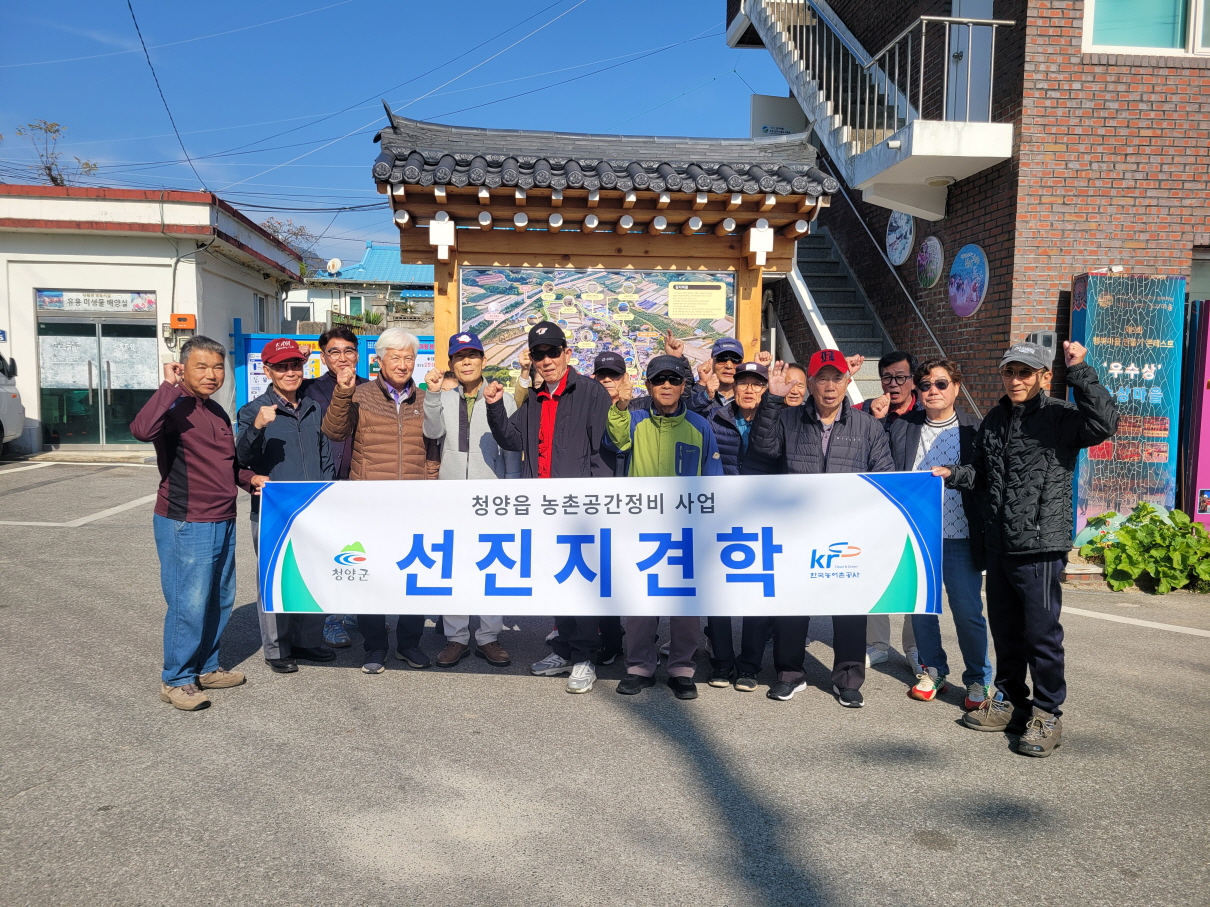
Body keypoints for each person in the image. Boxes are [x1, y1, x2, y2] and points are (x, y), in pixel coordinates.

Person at [936, 340, 1117, 757]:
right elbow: (981, 473)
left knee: (1041, 635)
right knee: (1007, 632)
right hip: (999, 544)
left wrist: (1081, 371)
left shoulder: (1062, 416)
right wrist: (952, 474)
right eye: (1009, 372)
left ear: (1043, 377)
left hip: (1040, 544)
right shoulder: (995, 419)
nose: (1015, 380)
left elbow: (1105, 424)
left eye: (1024, 373)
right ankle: (1011, 701)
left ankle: (1048, 713)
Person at [753, 351, 894, 707]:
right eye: (822, 378)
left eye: (837, 378)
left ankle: (848, 679)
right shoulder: (787, 419)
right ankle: (789, 674)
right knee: (792, 604)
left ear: (849, 381)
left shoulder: (868, 427)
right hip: (797, 529)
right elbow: (763, 449)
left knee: (849, 606)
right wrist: (771, 398)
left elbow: (885, 477)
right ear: (811, 383)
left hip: (848, 531)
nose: (830, 387)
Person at [485, 321, 613, 693]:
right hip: (543, 506)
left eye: (553, 352)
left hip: (580, 508)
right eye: (539, 354)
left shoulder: (590, 392)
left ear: (567, 354)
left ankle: (585, 656)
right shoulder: (537, 399)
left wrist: (595, 503)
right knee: (561, 579)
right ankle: (563, 648)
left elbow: (601, 453)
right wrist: (495, 408)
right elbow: (511, 439)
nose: (546, 360)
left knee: (583, 581)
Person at [131, 336, 255, 711]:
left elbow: (228, 465)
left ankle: (206, 666)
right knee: (189, 601)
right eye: (201, 366)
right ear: (182, 367)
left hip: (223, 517)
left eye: (217, 366)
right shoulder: (173, 407)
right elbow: (140, 429)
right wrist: (167, 386)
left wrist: (251, 480)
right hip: (187, 520)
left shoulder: (215, 412)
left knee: (220, 597)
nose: (211, 374)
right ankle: (177, 679)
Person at [322, 327, 441, 675]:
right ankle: (375, 646)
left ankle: (409, 644)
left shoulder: (424, 400)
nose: (403, 364)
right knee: (370, 576)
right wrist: (343, 395)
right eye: (396, 357)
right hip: (370, 504)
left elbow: (433, 451)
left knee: (413, 576)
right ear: (380, 360)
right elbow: (334, 431)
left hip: (414, 507)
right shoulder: (359, 395)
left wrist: (430, 486)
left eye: (409, 358)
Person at [606, 355, 724, 700]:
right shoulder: (636, 420)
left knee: (685, 608)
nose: (667, 386)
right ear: (649, 386)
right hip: (642, 529)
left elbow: (713, 479)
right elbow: (616, 438)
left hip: (687, 531)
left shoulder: (700, 426)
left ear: (684, 386)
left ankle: (681, 669)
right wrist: (620, 406)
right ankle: (639, 667)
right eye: (659, 381)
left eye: (673, 380)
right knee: (641, 606)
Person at [887, 358, 993, 709]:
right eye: (926, 385)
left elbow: (983, 479)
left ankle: (978, 679)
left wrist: (953, 473)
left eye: (941, 384)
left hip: (961, 536)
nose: (932, 391)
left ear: (956, 388)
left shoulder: (974, 431)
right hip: (918, 535)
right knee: (921, 609)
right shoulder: (903, 427)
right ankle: (933, 670)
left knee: (967, 611)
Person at [236, 338, 337, 674]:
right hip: (272, 511)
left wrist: (325, 493)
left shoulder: (313, 407)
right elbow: (239, 459)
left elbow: (324, 455)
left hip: (311, 507)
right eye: (281, 366)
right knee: (276, 576)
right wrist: (256, 427)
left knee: (313, 573)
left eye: (295, 365)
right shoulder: (254, 410)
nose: (290, 372)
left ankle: (309, 641)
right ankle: (277, 648)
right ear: (268, 371)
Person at [422, 331, 519, 669]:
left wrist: (511, 489)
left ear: (483, 360)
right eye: (460, 356)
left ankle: (489, 637)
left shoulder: (501, 397)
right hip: (451, 494)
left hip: (490, 495)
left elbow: (510, 447)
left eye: (473, 355)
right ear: (451, 363)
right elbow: (433, 433)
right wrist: (432, 395)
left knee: (492, 564)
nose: (466, 361)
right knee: (454, 565)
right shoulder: (443, 399)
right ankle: (456, 637)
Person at [702, 362, 780, 692]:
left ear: (766, 389)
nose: (749, 390)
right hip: (721, 516)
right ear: (732, 387)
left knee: (756, 592)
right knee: (717, 592)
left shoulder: (778, 418)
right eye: (743, 383)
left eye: (757, 384)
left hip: (763, 517)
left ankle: (749, 665)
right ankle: (721, 661)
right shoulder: (714, 418)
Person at [303, 326, 365, 649]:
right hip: (326, 484)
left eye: (349, 351)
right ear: (324, 356)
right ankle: (331, 619)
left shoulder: (370, 388)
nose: (343, 358)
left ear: (358, 354)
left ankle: (353, 609)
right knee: (331, 553)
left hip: (361, 484)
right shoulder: (310, 390)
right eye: (334, 352)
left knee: (358, 550)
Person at [863, 350, 923, 674]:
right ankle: (878, 645)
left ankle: (915, 647)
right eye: (887, 377)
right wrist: (873, 419)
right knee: (876, 575)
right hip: (876, 511)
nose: (894, 384)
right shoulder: (868, 411)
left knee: (917, 579)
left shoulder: (926, 414)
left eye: (901, 377)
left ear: (912, 380)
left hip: (916, 510)